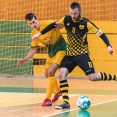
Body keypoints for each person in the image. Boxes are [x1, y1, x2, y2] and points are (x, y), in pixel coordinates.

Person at [32, 2, 117, 109]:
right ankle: (66, 102)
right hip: (70, 54)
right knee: (61, 74)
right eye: (71, 13)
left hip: (82, 54)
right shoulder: (66, 19)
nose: (73, 16)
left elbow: (101, 33)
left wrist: (108, 46)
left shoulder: (86, 23)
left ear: (80, 12)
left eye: (75, 13)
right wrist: (39, 34)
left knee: (92, 77)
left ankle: (115, 77)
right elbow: (52, 25)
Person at [17, 13, 67, 106]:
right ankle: (58, 92)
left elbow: (61, 23)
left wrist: (61, 26)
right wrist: (25, 59)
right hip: (51, 52)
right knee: (46, 74)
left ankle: (47, 99)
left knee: (51, 71)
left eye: (34, 22)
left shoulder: (48, 24)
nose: (33, 25)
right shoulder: (33, 33)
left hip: (61, 49)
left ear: (37, 19)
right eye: (30, 24)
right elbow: (34, 49)